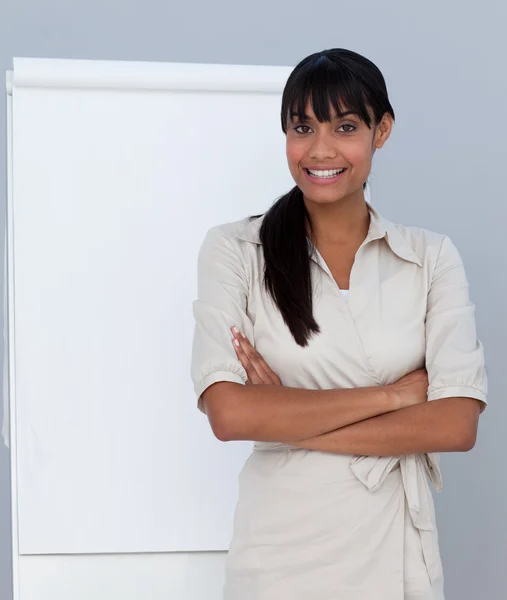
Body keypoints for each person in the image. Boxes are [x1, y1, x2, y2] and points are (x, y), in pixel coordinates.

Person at [190, 48, 487, 600]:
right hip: (282, 550)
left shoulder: (430, 258)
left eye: (345, 126)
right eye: (303, 127)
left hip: (395, 550)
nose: (320, 150)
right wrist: (396, 398)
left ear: (383, 131)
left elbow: (456, 425)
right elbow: (230, 414)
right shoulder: (236, 251)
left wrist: (284, 416)